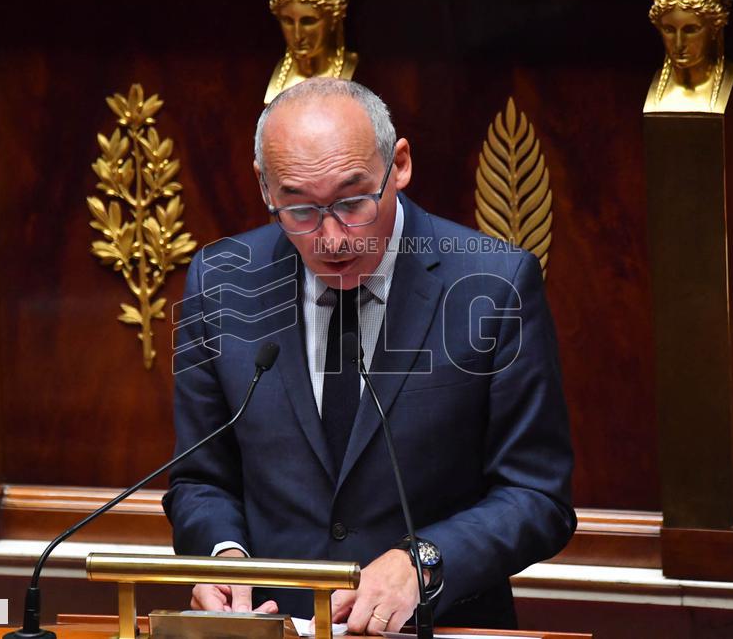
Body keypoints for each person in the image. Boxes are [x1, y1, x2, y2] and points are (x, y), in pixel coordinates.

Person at [164, 78, 575, 634]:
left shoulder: (495, 284)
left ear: (399, 165)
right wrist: (223, 556)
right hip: (271, 626)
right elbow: (199, 480)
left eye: (353, 202)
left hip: (434, 626)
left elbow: (537, 496)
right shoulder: (221, 282)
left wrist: (423, 562)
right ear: (264, 187)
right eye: (300, 209)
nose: (333, 238)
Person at [264, 0, 359, 104]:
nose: (298, 35)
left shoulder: (351, 68)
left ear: (333, 19)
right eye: (288, 21)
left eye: (308, 21)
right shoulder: (278, 74)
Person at [646, 0, 733, 113]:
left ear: (714, 29)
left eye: (691, 30)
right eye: (669, 30)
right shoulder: (652, 86)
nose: (679, 44)